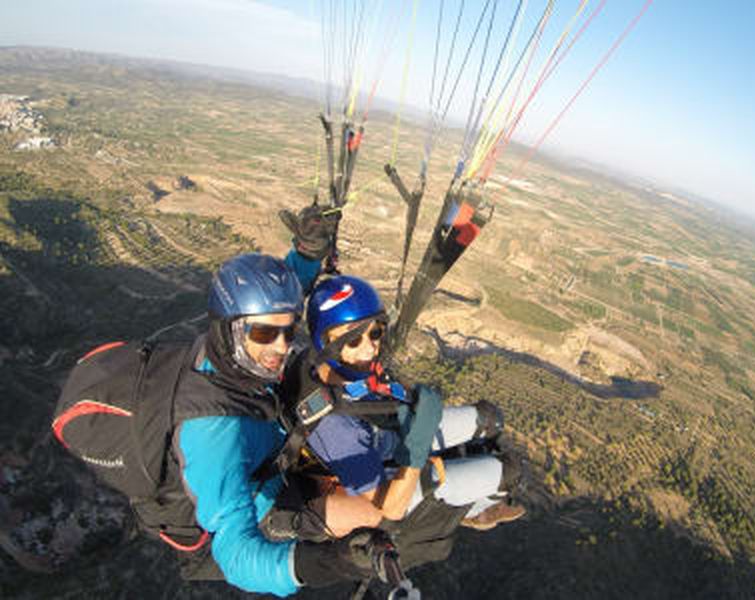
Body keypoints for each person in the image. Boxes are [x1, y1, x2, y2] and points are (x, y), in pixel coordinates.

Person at [53, 210, 397, 594]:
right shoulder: (212, 433)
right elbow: (236, 556)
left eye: (288, 331)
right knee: (374, 514)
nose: (282, 347)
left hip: (265, 446)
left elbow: (273, 301)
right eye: (266, 334)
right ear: (232, 330)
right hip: (252, 498)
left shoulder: (230, 351)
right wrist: (328, 562)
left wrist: (308, 254)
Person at [298, 274, 527, 533]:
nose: (370, 349)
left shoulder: (320, 368)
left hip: (386, 438)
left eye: (375, 333)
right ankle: (475, 510)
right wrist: (417, 447)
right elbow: (390, 509)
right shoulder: (335, 427)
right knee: (512, 472)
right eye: (353, 340)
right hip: (389, 486)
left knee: (490, 419)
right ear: (324, 343)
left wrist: (401, 398)